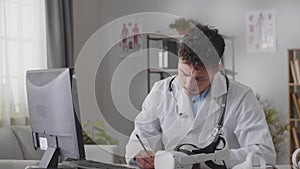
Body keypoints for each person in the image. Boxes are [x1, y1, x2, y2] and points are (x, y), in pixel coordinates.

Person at [125, 23, 276, 169]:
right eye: (184, 73)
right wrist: (139, 155)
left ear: (216, 69)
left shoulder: (242, 97)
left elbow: (264, 154)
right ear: (178, 58)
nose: (189, 84)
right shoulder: (161, 92)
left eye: (199, 78)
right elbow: (139, 138)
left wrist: (211, 159)